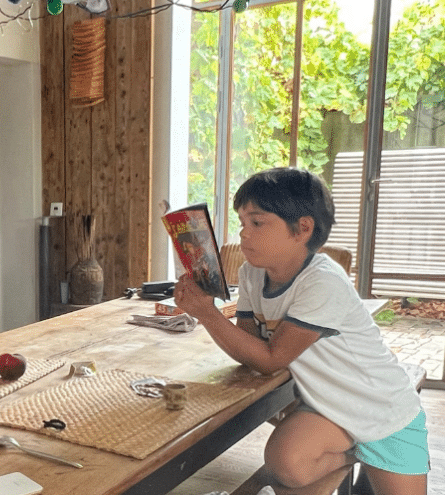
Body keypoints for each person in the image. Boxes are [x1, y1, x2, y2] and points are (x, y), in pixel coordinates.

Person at [174, 167, 428, 495]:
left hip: (385, 412)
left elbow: (271, 359)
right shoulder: (253, 273)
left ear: (302, 229)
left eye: (257, 222)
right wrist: (206, 303)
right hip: (328, 407)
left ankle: (360, 450)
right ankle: (352, 453)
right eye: (241, 222)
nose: (243, 234)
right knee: (286, 462)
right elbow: (249, 348)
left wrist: (206, 314)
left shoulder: (323, 281)